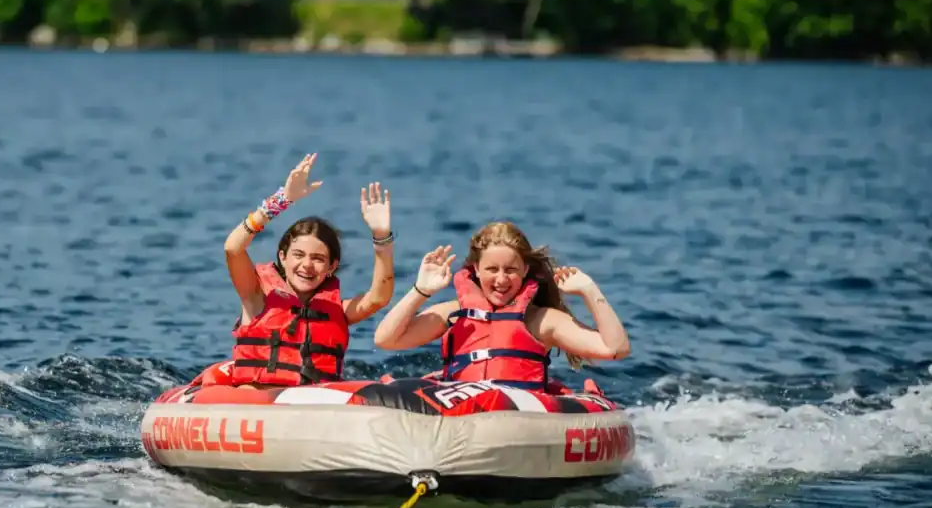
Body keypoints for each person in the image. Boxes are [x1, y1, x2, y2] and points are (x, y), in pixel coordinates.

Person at [372, 220, 629, 390]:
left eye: (511, 270)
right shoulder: (452, 313)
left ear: (526, 270)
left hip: (519, 419)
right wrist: (421, 291)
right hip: (459, 416)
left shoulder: (542, 321)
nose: (502, 279)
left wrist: (589, 290)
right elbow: (386, 340)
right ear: (476, 270)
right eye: (492, 269)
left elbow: (615, 349)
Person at [213, 153, 396, 387]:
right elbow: (233, 249)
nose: (307, 265)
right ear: (283, 257)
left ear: (332, 267)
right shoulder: (256, 297)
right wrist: (282, 199)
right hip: (256, 401)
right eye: (298, 255)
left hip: (313, 406)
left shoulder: (337, 309)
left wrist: (381, 237)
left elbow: (379, 298)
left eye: (318, 258)